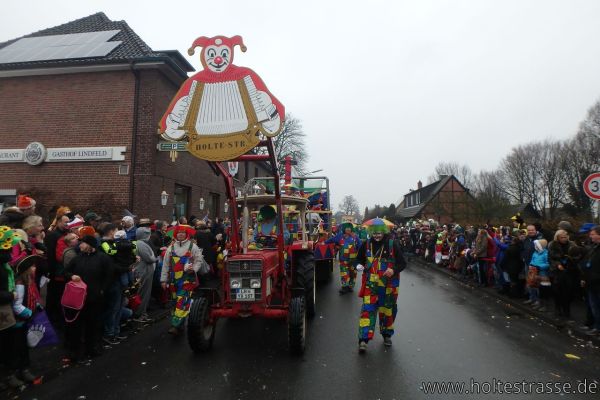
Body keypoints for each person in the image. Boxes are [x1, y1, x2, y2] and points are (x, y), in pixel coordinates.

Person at [356, 221, 406, 352]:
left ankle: (387, 335)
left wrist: (393, 270)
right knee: (367, 310)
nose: (377, 236)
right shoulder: (366, 244)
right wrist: (358, 265)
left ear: (383, 232)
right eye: (374, 233)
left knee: (387, 310)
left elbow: (402, 263)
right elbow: (358, 259)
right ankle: (363, 339)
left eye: (379, 233)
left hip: (389, 285)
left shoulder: (392, 244)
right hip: (371, 285)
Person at [63, 235, 114, 362]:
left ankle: (92, 349)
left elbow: (109, 276)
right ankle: (77, 352)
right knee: (77, 326)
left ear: (90, 244)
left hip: (95, 298)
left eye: (83, 243)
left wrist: (102, 290)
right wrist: (71, 276)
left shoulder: (103, 258)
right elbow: (65, 272)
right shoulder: (77, 258)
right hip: (78, 299)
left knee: (93, 325)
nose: (79, 245)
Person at [160, 225, 203, 335]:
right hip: (174, 280)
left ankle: (175, 325)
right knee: (175, 302)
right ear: (175, 234)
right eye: (179, 232)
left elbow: (199, 260)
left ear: (186, 234)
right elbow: (165, 265)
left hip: (187, 279)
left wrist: (194, 269)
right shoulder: (171, 248)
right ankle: (180, 325)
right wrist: (163, 280)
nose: (181, 234)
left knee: (182, 300)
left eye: (183, 232)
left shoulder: (193, 246)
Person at [548, 229, 579, 320]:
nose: (564, 239)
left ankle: (566, 309)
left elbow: (577, 256)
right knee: (557, 291)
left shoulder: (572, 245)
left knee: (568, 292)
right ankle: (558, 307)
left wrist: (571, 261)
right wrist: (557, 264)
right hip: (557, 272)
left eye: (565, 237)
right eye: (562, 237)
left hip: (569, 271)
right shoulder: (553, 245)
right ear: (557, 237)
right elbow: (550, 258)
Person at [326, 222, 361, 294]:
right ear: (344, 229)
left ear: (351, 229)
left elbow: (360, 246)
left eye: (349, 228)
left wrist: (361, 256)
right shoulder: (340, 236)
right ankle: (345, 287)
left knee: (353, 273)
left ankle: (350, 286)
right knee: (344, 273)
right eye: (347, 228)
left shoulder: (355, 237)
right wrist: (324, 243)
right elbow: (331, 240)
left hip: (353, 260)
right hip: (343, 259)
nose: (348, 230)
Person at [133, 227, 156, 323]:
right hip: (144, 271)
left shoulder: (139, 243)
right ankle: (140, 315)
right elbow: (149, 258)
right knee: (143, 293)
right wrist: (155, 257)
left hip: (144, 271)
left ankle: (142, 313)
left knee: (143, 293)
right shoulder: (141, 244)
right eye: (148, 234)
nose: (149, 236)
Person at [581, 225, 600, 335]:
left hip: (597, 283)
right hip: (591, 282)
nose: (590, 236)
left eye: (593, 234)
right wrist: (584, 277)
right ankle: (596, 326)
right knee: (594, 306)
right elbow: (588, 263)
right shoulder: (594, 247)